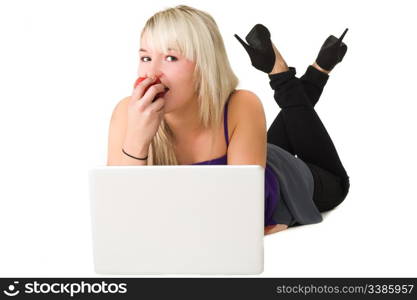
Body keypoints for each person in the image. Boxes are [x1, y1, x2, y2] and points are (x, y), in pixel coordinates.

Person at [106, 5, 350, 236]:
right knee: (274, 140)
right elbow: (119, 218)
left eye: (171, 58)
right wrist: (137, 140)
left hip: (283, 180)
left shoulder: (241, 105)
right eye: (146, 58)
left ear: (204, 65)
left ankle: (288, 74)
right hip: (253, 154)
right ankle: (291, 73)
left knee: (338, 184)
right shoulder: (125, 113)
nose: (152, 72)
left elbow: (241, 215)